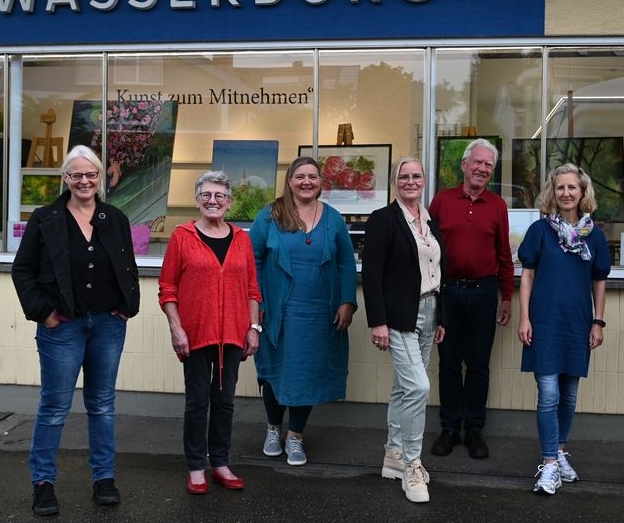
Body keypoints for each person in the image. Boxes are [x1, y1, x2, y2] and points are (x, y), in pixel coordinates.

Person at [11, 145, 140, 516]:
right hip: (62, 326)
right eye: (76, 175)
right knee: (54, 406)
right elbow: (23, 271)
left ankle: (104, 479)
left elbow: (128, 266)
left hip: (107, 325)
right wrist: (43, 313)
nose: (84, 181)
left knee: (102, 405)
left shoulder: (114, 217)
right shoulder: (46, 218)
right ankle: (43, 484)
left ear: (100, 178)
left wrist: (127, 307)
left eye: (91, 174)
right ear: (65, 178)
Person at [249, 156, 358, 467]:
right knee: (274, 371)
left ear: (321, 182)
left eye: (312, 176)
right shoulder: (269, 216)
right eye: (300, 176)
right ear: (290, 180)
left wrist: (347, 301)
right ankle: (273, 429)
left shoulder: (334, 219)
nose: (306, 182)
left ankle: (295, 436)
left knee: (307, 374)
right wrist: (257, 304)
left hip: (319, 313)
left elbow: (345, 263)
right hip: (278, 312)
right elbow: (252, 260)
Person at [158, 171, 262, 495]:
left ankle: (220, 462)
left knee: (225, 401)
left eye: (219, 196)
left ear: (229, 202)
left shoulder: (242, 239)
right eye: (206, 195)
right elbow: (167, 288)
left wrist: (253, 327)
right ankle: (195, 466)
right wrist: (177, 328)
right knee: (197, 402)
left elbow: (252, 290)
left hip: (233, 333)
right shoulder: (182, 236)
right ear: (197, 200)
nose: (212, 201)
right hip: (195, 333)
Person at [517, 164, 610, 495]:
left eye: (572, 187)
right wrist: (524, 318)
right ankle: (550, 464)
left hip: (577, 323)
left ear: (582, 192)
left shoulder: (594, 235)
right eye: (560, 188)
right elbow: (527, 276)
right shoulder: (540, 232)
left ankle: (559, 450)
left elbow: (599, 280)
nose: (566, 193)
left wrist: (598, 321)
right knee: (549, 394)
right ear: (552, 193)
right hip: (543, 321)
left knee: (569, 394)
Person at [362, 157, 446, 503]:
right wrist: (378, 321)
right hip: (399, 316)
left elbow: (440, 271)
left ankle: (393, 456)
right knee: (418, 387)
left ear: (424, 180)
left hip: (429, 310)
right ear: (395, 181)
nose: (411, 181)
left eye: (416, 176)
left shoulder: (430, 220)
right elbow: (372, 273)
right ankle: (412, 465)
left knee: (403, 388)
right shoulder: (383, 219)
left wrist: (442, 318)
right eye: (404, 176)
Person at [428, 137, 514, 459]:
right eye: (477, 162)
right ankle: (449, 427)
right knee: (449, 364)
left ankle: (474, 429)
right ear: (464, 165)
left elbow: (503, 253)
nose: (482, 168)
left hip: (483, 293)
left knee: (478, 365)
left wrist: (506, 297)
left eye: (488, 164)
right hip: (447, 292)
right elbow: (428, 248)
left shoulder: (497, 205)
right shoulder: (442, 200)